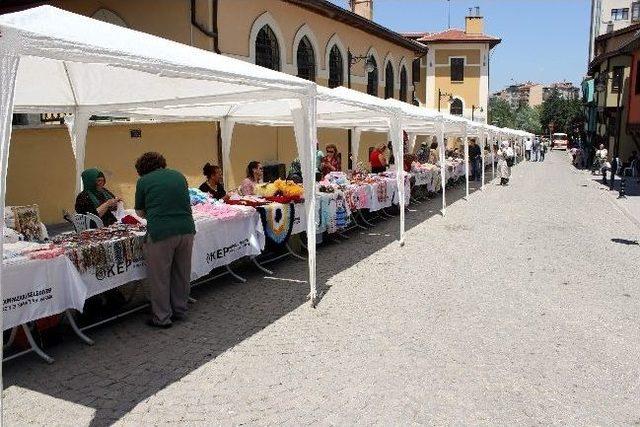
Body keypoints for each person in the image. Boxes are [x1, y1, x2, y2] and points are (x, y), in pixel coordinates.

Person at [134, 152, 196, 328]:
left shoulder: (144, 181)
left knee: (160, 277)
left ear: (143, 168)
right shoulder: (178, 176)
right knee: (181, 273)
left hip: (161, 232)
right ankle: (180, 309)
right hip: (186, 229)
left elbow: (139, 212)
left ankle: (162, 317)